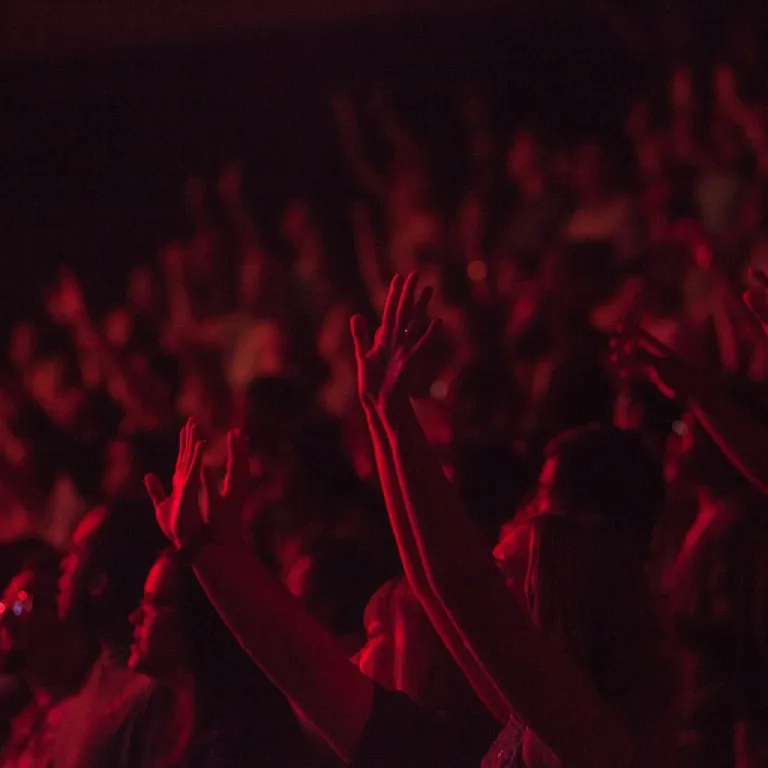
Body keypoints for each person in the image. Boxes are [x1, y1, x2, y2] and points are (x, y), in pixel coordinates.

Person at [1, 499, 168, 767]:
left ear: (101, 580)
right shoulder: (91, 693)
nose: (65, 564)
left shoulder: (151, 694)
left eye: (77, 551)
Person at [127, 548, 309, 766]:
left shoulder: (243, 739)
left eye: (155, 603)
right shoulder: (162, 714)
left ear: (201, 617)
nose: (135, 617)